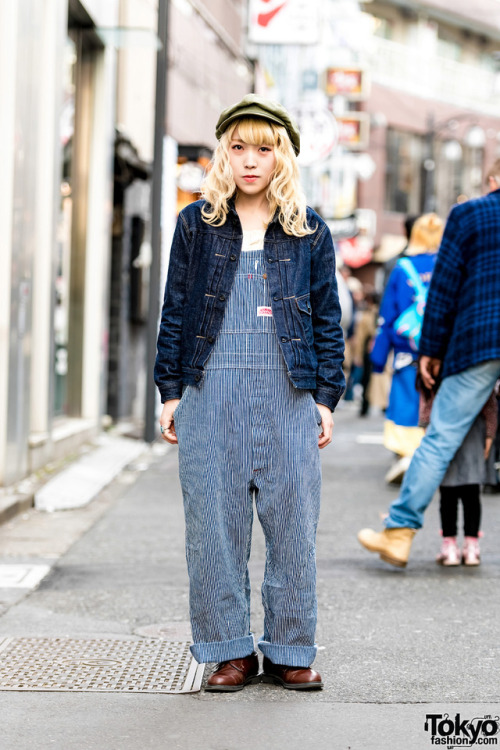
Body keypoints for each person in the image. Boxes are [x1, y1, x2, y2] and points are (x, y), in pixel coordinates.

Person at [154, 94, 345, 692]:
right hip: (210, 391)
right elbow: (177, 310)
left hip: (289, 391)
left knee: (293, 526)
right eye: (238, 147)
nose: (250, 160)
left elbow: (327, 320)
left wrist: (325, 398)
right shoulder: (197, 223)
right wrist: (169, 391)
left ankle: (290, 648)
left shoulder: (308, 228)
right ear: (223, 154)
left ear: (282, 154)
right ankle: (229, 650)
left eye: (263, 148)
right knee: (213, 526)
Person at [358, 162, 500, 568]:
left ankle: (399, 533)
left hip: (481, 340)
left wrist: (431, 351)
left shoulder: (470, 214)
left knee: (441, 438)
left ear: (492, 181)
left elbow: (444, 289)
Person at [370, 213, 444, 483]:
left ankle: (408, 455)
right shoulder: (450, 266)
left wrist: (378, 359)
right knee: (439, 404)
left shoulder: (403, 268)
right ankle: (434, 457)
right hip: (443, 353)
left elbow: (387, 317)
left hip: (408, 352)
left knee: (406, 401)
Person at [419, 381, 498, 566]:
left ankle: (450, 545)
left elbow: (428, 403)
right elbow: (490, 405)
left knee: (448, 493)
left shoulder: (441, 372)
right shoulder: (478, 372)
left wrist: (425, 429)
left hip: (443, 429)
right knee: (472, 493)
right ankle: (471, 547)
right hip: (474, 430)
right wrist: (489, 436)